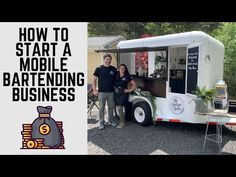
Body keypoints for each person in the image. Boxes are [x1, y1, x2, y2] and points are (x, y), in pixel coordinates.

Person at [92, 54, 118, 130]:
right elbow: (94, 80)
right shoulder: (99, 69)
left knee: (111, 107)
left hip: (111, 92)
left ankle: (111, 120)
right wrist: (94, 90)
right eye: (107, 59)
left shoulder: (113, 69)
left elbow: (117, 79)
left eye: (110, 59)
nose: (108, 61)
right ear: (104, 59)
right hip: (102, 92)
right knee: (101, 108)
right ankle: (101, 123)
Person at [114, 64, 136, 128]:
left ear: (125, 69)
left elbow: (134, 84)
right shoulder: (116, 75)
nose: (122, 69)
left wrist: (129, 90)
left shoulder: (127, 76)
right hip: (116, 94)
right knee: (118, 107)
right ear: (118, 69)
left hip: (123, 94)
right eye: (120, 68)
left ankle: (122, 123)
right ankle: (124, 120)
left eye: (123, 68)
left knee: (119, 107)